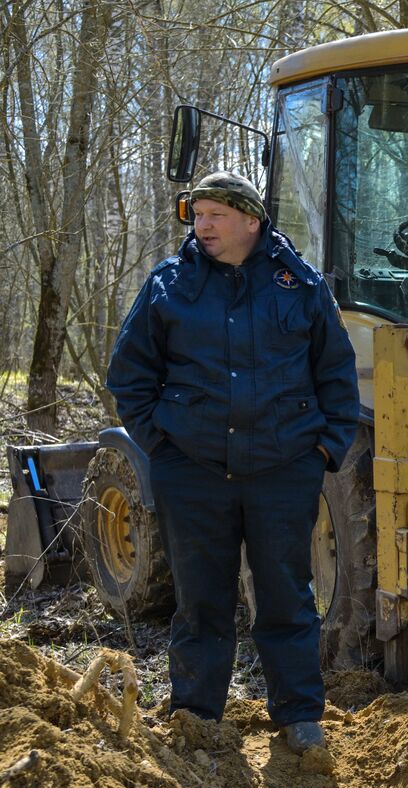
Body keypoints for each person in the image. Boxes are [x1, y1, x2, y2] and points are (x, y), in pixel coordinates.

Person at [106, 172, 359, 756]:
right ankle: (196, 716)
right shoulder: (169, 285)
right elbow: (129, 376)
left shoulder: (300, 284)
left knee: (286, 596)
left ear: (251, 220)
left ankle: (299, 716)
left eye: (216, 214)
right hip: (193, 472)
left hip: (283, 470)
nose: (203, 225)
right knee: (200, 601)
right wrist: (163, 448)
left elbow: (336, 373)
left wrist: (323, 451)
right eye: (197, 214)